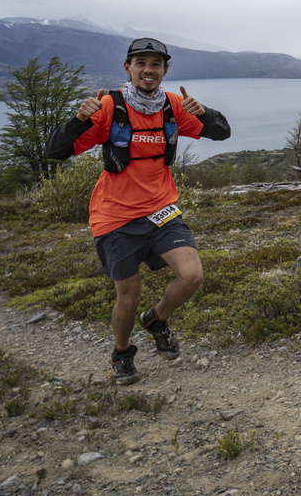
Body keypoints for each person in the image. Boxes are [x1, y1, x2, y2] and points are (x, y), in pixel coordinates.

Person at [46, 38, 230, 384]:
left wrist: (204, 112)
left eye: (156, 64)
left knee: (192, 275)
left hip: (162, 210)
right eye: (141, 63)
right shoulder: (109, 107)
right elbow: (55, 151)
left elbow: (222, 133)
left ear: (165, 70)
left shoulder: (173, 106)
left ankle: (157, 319)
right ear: (127, 67)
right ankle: (122, 351)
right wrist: (79, 120)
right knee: (128, 298)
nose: (148, 70)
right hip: (115, 217)